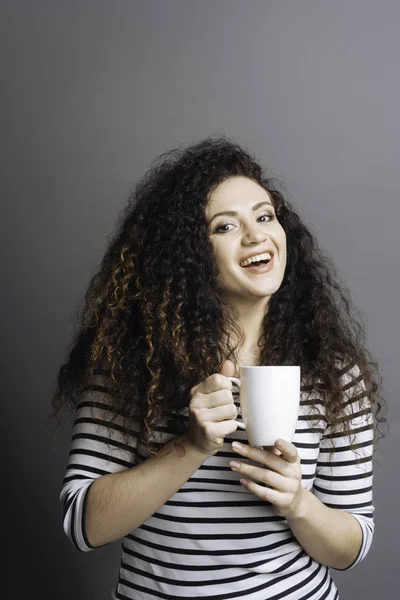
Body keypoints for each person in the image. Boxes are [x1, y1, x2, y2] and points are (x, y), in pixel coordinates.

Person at [50, 136, 387, 600]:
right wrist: (190, 447)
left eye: (265, 216)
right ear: (186, 255)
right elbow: (83, 525)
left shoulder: (332, 370)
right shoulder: (131, 362)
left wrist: (298, 503)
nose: (256, 236)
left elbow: (352, 545)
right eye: (224, 227)